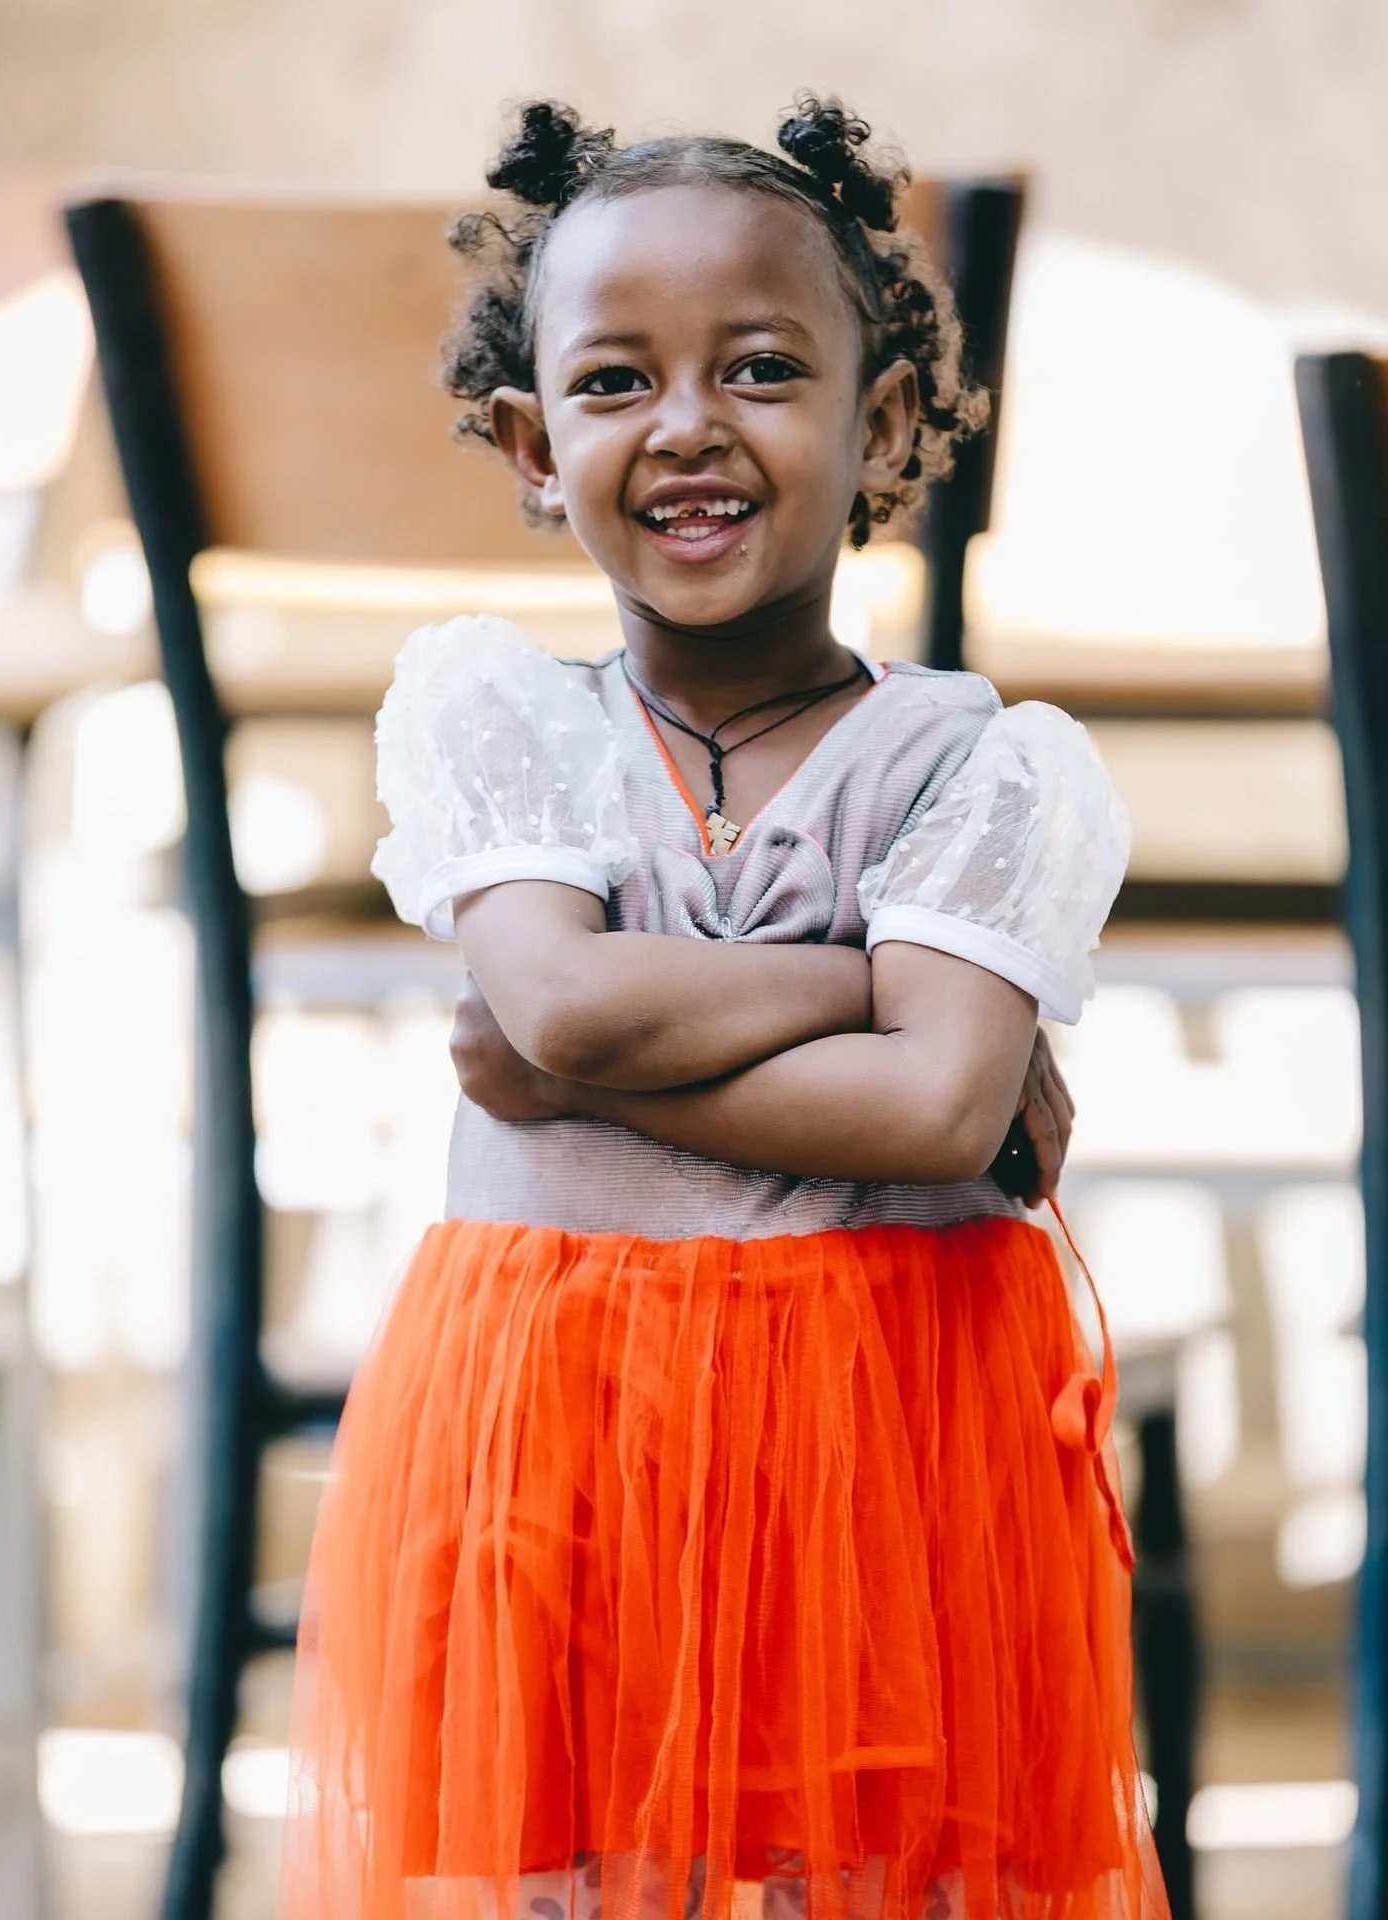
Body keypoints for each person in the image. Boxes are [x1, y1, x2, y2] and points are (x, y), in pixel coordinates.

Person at [279, 95, 1166, 1920]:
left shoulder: (987, 766)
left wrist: (566, 1069)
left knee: (874, 1876)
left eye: (761, 368)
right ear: (534, 445)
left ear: (884, 423)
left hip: (884, 1434)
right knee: (576, 1876)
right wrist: (873, 980)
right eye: (616, 383)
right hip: (563, 1421)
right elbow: (563, 1005)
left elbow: (929, 1113)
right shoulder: (496, 716)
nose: (688, 424)